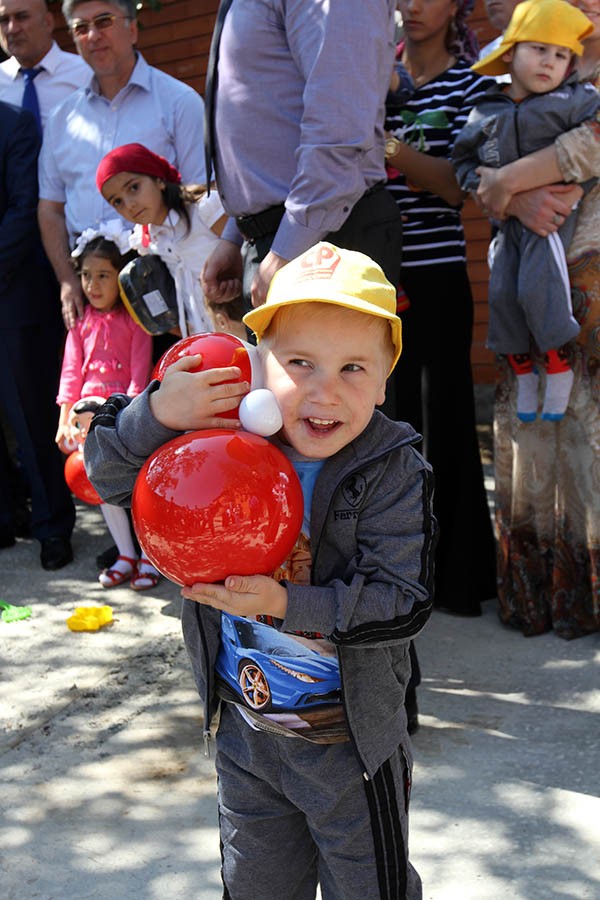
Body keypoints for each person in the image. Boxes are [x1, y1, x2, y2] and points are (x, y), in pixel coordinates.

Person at [84, 242, 436, 899]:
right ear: (258, 363)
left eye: (353, 367)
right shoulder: (218, 433)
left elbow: (403, 604)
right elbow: (104, 470)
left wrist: (282, 600)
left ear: (387, 376)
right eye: (298, 362)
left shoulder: (393, 470)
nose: (323, 390)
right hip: (246, 736)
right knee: (254, 886)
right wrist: (159, 412)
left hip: (349, 750)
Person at [472, 0, 600, 640]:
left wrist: (511, 183)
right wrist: (509, 195)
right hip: (531, 273)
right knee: (535, 432)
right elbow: (475, 172)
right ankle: (537, 595)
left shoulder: (577, 90)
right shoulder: (518, 82)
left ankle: (588, 595)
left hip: (589, 269)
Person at [383, 0, 497, 616]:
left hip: (438, 278)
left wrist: (386, 146)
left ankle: (461, 580)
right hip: (375, 279)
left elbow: (458, 183)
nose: (413, 6)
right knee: (388, 432)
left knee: (445, 425)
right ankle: (399, 577)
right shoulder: (376, 73)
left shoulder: (469, 81)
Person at [200, 0, 403, 315]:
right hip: (293, 236)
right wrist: (236, 235)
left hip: (322, 236)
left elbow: (340, 126)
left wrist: (288, 249)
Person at [452, 0, 599, 422]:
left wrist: (575, 188)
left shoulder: (574, 99)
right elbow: (465, 161)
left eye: (560, 55)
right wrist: (502, 194)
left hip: (557, 228)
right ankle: (525, 372)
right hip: (509, 228)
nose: (549, 62)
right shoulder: (487, 109)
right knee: (501, 295)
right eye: (539, 50)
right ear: (510, 52)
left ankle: (555, 365)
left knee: (536, 288)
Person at [38, 0, 205, 333]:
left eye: (104, 21)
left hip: (167, 295)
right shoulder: (61, 120)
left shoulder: (179, 102)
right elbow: (51, 209)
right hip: (92, 297)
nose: (93, 35)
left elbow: (201, 197)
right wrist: (69, 281)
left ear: (132, 28)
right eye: (81, 28)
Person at [56, 222, 159, 589]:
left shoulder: (136, 323)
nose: (93, 285)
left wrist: (125, 419)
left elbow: (138, 377)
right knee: (104, 490)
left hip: (120, 418)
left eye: (103, 275)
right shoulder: (80, 323)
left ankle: (150, 556)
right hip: (87, 417)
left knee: (134, 488)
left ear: (122, 275)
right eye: (86, 276)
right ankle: (125, 553)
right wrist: (64, 416)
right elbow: (70, 372)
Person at [0, 99, 76, 568]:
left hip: (12, 299)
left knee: (29, 420)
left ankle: (52, 527)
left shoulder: (15, 124)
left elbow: (25, 209)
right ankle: (5, 518)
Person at [96, 142, 227, 338]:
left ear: (158, 180)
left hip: (243, 324)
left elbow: (245, 255)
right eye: (117, 201)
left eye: (133, 187)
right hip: (202, 339)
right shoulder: (144, 241)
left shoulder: (205, 209)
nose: (129, 205)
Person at [0, 0, 90, 127]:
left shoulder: (87, 74)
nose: (12, 29)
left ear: (48, 22)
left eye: (22, 17)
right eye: (4, 20)